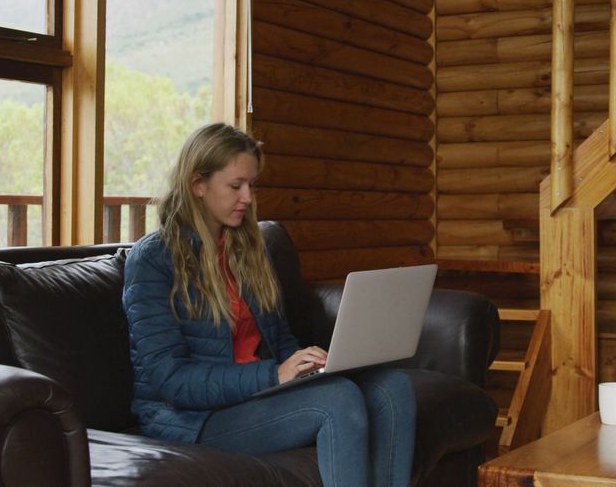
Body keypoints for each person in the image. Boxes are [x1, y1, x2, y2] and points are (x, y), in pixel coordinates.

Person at [122, 122, 416, 487]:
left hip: (258, 395)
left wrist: (309, 364)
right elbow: (172, 380)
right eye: (235, 186)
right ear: (198, 184)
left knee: (392, 388)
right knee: (336, 402)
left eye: (251, 184)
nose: (247, 197)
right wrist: (275, 374)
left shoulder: (248, 248)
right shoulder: (153, 259)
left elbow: (278, 341)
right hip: (192, 418)